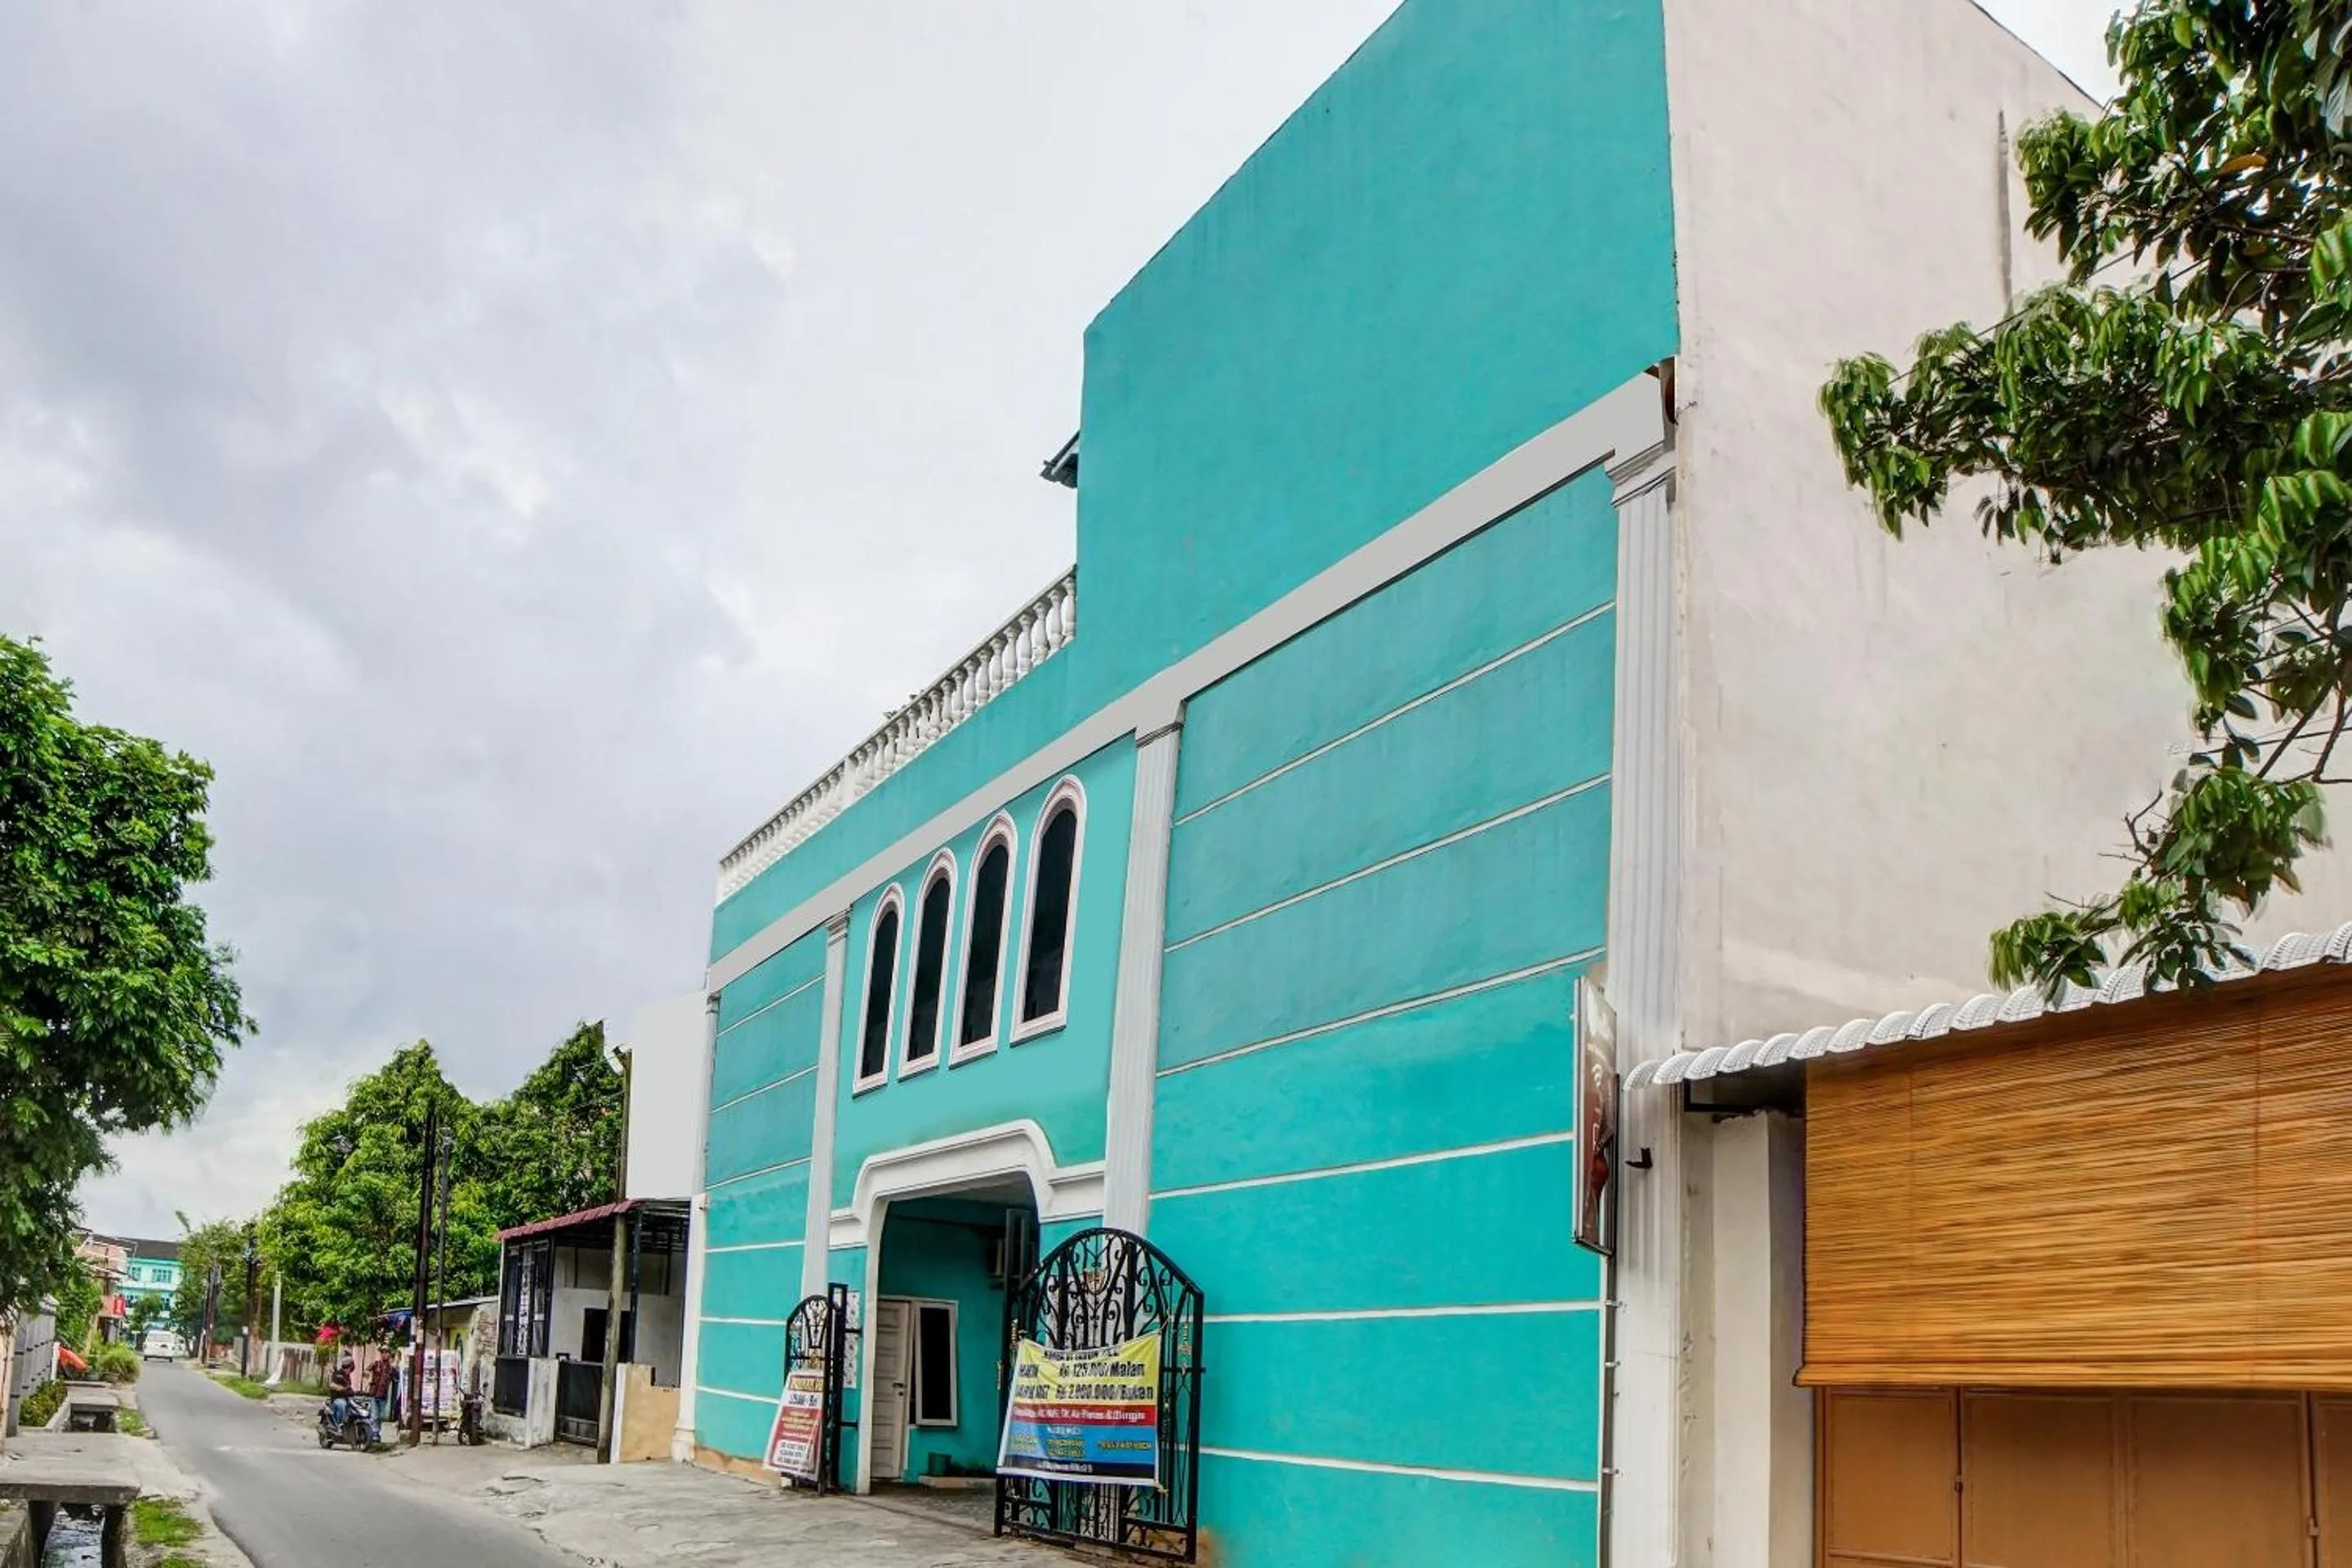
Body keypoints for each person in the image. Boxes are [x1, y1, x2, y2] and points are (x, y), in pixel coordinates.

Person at [327, 1355, 357, 1429]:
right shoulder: (338, 1374)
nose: (347, 1368)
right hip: (337, 1398)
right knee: (342, 1405)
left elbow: (349, 1388)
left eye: (348, 1366)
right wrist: (340, 1388)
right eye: (345, 1366)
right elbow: (332, 1385)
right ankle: (339, 1425)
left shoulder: (348, 1376)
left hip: (347, 1398)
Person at [366, 1352, 393, 1432]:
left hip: (384, 1394)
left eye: (386, 1353)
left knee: (381, 1416)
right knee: (374, 1416)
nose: (384, 1355)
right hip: (374, 1393)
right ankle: (373, 1433)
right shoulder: (376, 1364)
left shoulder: (391, 1367)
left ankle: (377, 1432)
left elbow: (396, 1377)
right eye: (383, 1353)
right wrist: (369, 1376)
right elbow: (366, 1371)